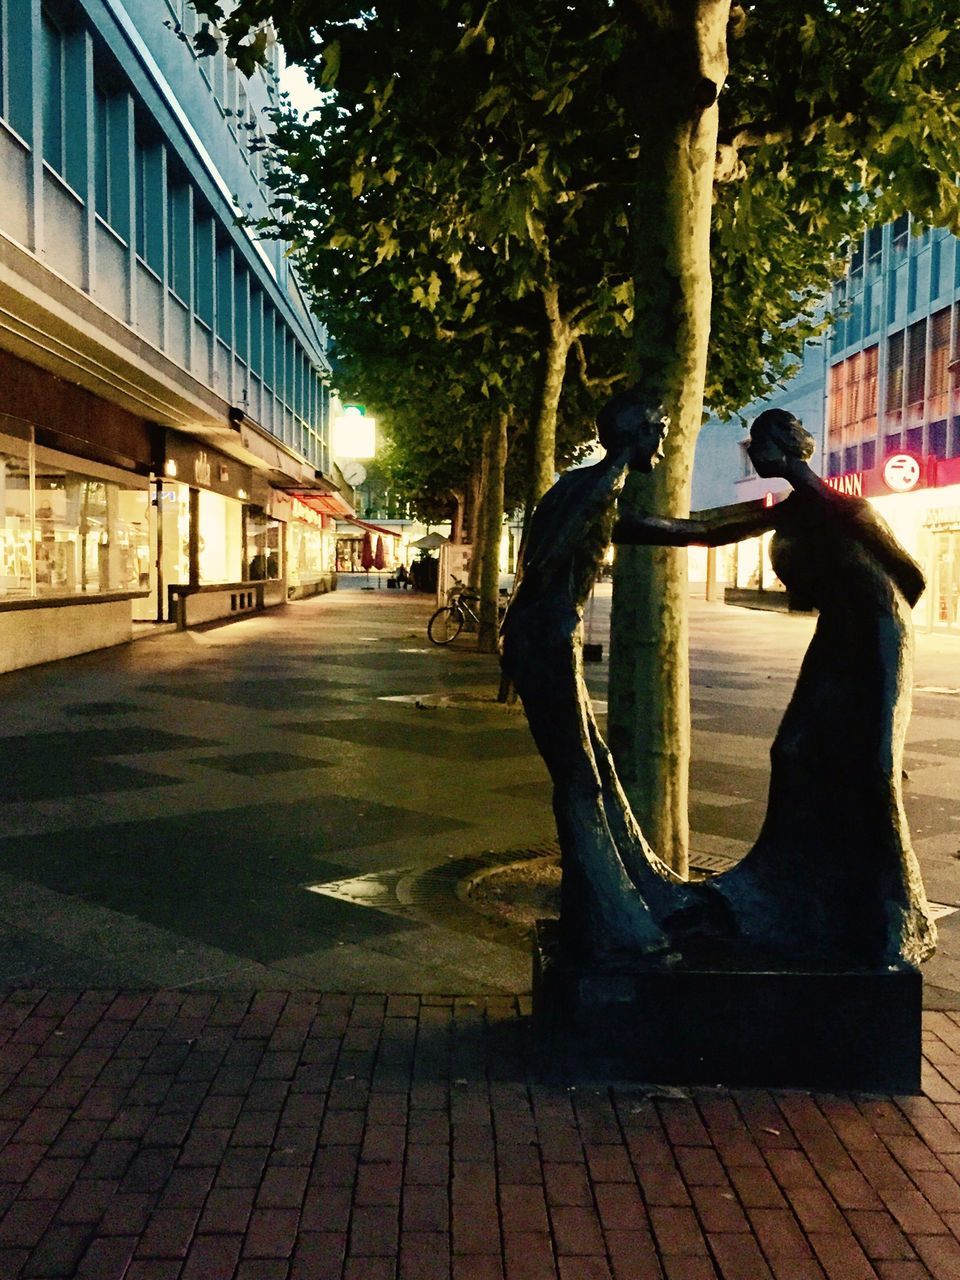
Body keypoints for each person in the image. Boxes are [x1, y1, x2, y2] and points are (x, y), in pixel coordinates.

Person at [615, 407, 937, 968]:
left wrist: (881, 639)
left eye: (760, 443)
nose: (754, 453)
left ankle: (892, 913)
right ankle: (784, 891)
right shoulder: (787, 513)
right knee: (791, 750)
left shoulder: (849, 509)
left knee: (876, 765)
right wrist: (614, 517)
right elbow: (704, 530)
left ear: (786, 448)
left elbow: (911, 576)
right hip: (837, 633)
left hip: (881, 635)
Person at [500, 387, 687, 960]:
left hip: (545, 639)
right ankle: (616, 913)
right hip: (548, 641)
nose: (664, 439)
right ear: (635, 433)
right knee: (580, 775)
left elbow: (671, 530)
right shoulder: (598, 488)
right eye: (659, 428)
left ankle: (637, 887)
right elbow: (543, 561)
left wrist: (756, 519)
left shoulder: (584, 487)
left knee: (595, 763)